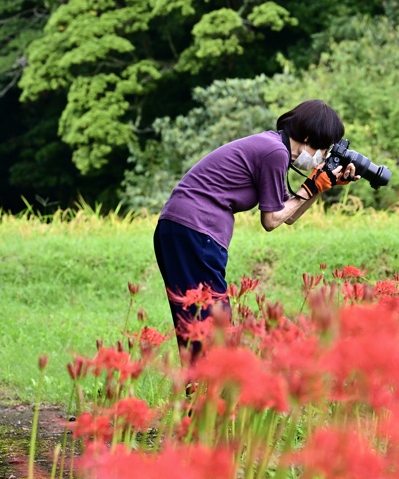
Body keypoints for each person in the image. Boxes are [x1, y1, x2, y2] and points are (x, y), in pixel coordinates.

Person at [152, 99, 359, 362]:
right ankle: (211, 395)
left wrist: (322, 185)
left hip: (179, 228)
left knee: (194, 320)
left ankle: (203, 396)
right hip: (196, 230)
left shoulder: (272, 146)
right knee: (212, 322)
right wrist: (312, 185)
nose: (320, 155)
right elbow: (271, 220)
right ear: (307, 136)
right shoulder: (275, 152)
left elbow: (289, 215)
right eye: (321, 147)